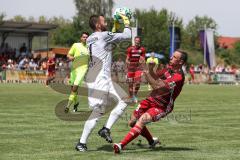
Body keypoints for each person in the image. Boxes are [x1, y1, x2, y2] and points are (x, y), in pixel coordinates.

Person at [75, 14, 131, 152]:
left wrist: (115, 27)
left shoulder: (90, 38)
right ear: (98, 25)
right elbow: (127, 35)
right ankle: (81, 143)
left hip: (98, 76)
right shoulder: (104, 35)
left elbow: (109, 43)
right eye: (103, 21)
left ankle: (105, 129)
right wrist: (126, 20)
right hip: (100, 78)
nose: (105, 22)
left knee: (125, 99)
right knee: (97, 111)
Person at [113, 50, 188, 154]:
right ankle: (151, 141)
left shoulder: (178, 77)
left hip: (162, 106)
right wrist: (150, 69)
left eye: (174, 57)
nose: (171, 57)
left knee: (142, 120)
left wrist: (146, 71)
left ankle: (120, 145)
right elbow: (154, 77)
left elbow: (157, 86)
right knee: (132, 122)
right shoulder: (168, 69)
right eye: (172, 56)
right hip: (151, 99)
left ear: (180, 62)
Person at [64, 32, 89, 113]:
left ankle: (67, 106)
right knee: (73, 89)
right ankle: (76, 103)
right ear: (81, 38)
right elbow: (69, 55)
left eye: (86, 37)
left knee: (75, 87)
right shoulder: (76, 45)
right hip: (74, 69)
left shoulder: (90, 47)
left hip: (83, 69)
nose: (85, 38)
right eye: (84, 37)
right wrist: (71, 57)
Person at [126, 36, 146, 103]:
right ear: (134, 41)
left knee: (137, 82)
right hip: (131, 68)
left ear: (140, 41)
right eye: (136, 40)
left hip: (138, 68)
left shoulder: (142, 49)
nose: (137, 42)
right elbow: (127, 59)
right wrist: (128, 66)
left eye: (138, 40)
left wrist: (143, 68)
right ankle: (131, 96)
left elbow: (143, 59)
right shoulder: (130, 49)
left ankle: (135, 95)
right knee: (130, 83)